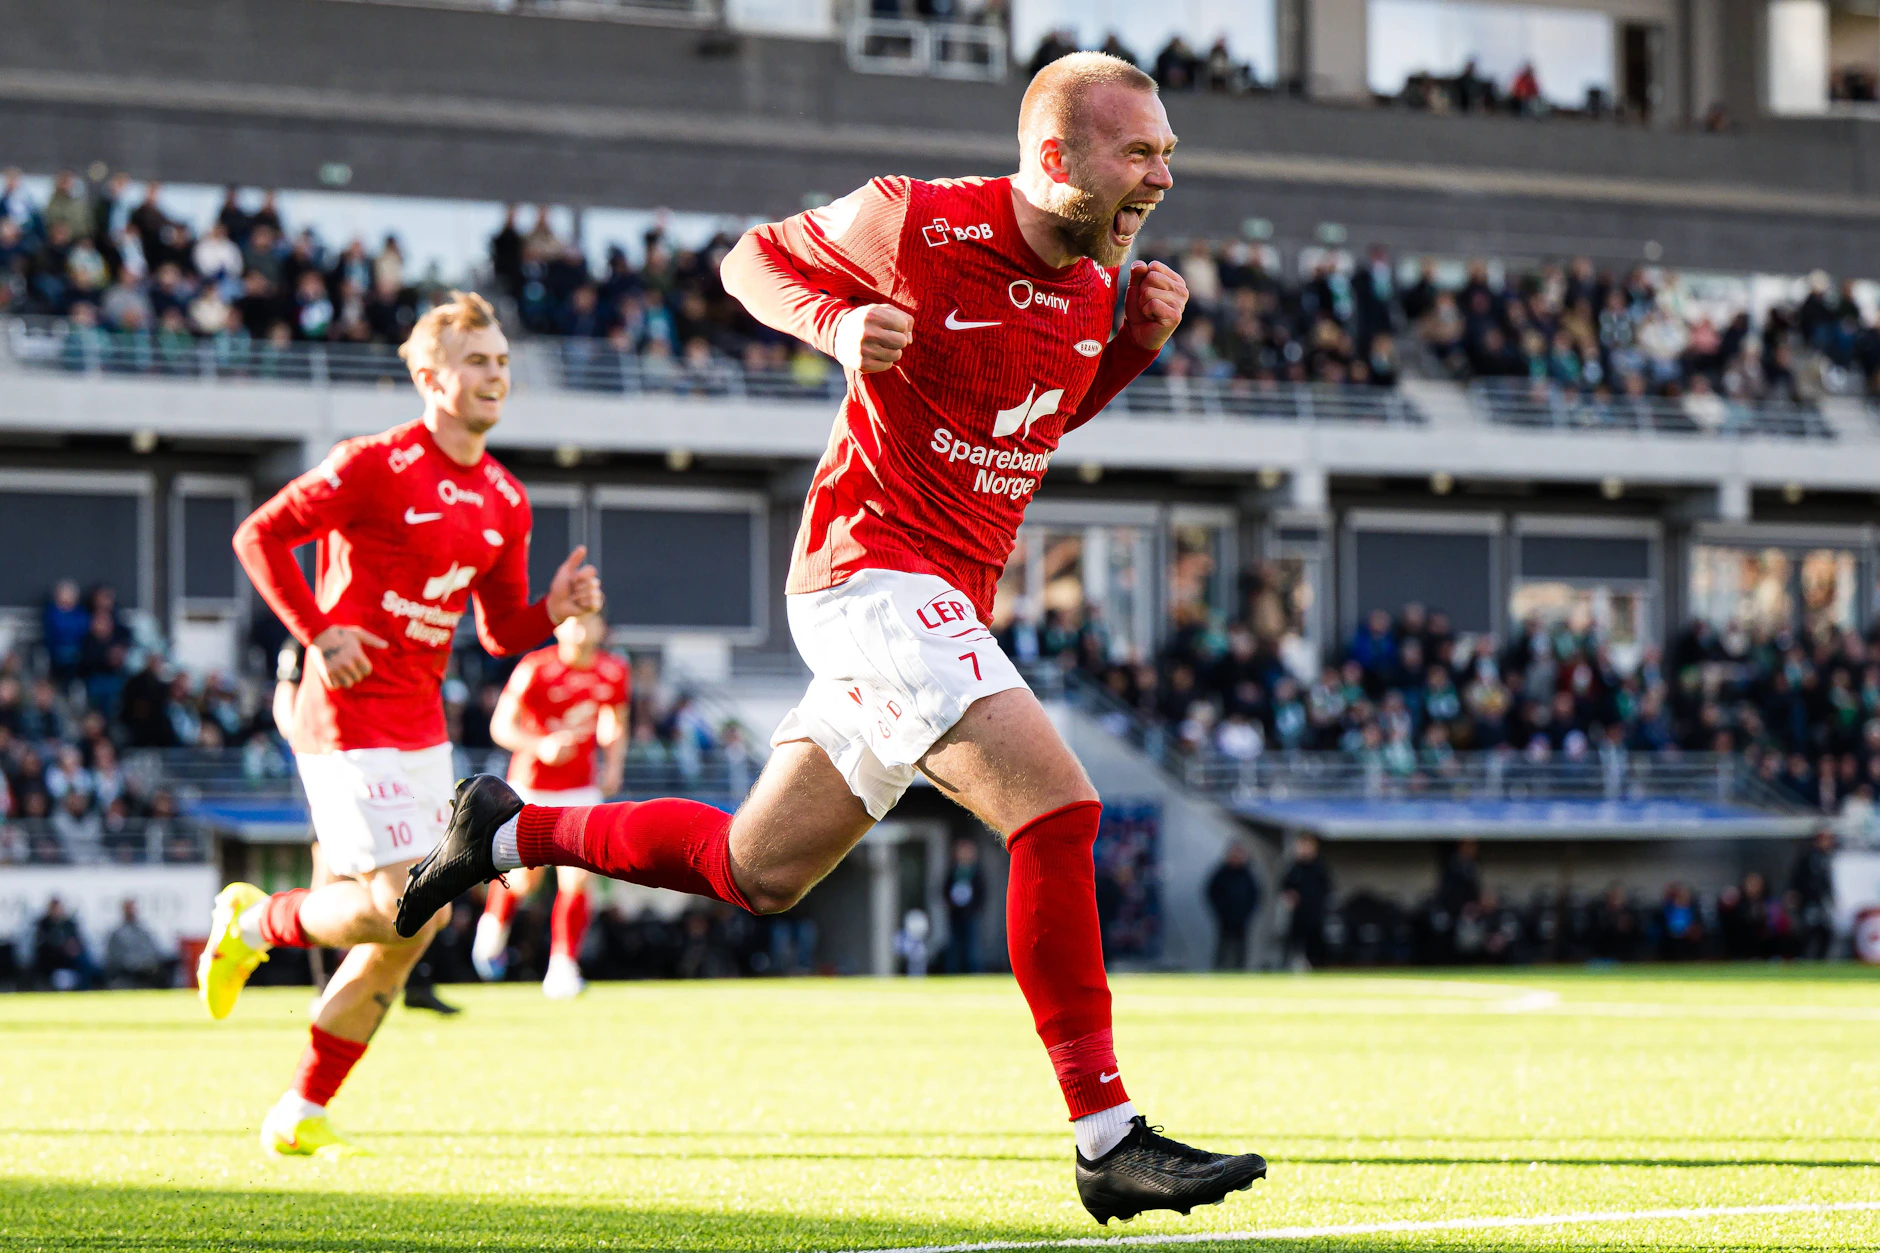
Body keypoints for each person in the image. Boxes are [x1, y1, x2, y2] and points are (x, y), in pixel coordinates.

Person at [397, 53, 1265, 1224]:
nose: (1161, 176)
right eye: (1139, 153)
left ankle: (505, 830)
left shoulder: (1093, 286)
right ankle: (1106, 1135)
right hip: (868, 574)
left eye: (1166, 152)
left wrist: (1131, 350)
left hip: (935, 598)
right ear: (1055, 157)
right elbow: (746, 259)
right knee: (1056, 809)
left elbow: (1028, 420)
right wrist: (837, 319)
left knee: (753, 869)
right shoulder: (915, 219)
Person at [198, 291, 602, 1160]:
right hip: (344, 712)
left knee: (413, 926)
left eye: (502, 361)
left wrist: (552, 610)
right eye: (476, 360)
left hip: (420, 723)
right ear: (428, 374)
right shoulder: (372, 463)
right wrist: (319, 631)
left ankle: (300, 1108)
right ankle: (254, 923)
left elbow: (500, 630)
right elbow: (259, 536)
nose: (496, 375)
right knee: (395, 908)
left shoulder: (506, 498)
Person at [472, 609, 629, 998]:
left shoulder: (613, 671)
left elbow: (615, 721)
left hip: (581, 789)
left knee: (578, 878)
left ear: (601, 626)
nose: (582, 628)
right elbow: (501, 726)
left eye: (590, 619)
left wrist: (613, 765)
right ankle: (493, 927)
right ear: (559, 628)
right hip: (531, 788)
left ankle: (563, 966)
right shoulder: (535, 668)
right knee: (524, 880)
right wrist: (540, 746)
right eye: (574, 620)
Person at [1205, 841, 1262, 970]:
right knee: (1223, 946)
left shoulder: (1247, 875)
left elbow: (1255, 896)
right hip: (1224, 918)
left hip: (1242, 919)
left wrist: (1246, 912)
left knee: (1240, 947)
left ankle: (1240, 969)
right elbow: (1211, 892)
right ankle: (1219, 969)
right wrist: (1220, 910)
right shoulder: (1221, 873)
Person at [1280, 833, 1331, 970]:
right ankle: (1291, 966)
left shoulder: (1319, 868)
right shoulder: (1294, 868)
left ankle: (1315, 967)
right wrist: (1290, 896)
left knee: (1314, 945)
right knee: (1294, 943)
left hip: (1315, 915)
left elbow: (1327, 889)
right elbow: (1285, 886)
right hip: (1298, 915)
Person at [943, 835, 986, 974]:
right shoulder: (953, 871)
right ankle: (953, 970)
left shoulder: (976, 872)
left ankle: (972, 970)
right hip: (955, 914)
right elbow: (945, 890)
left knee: (972, 944)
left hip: (970, 914)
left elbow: (982, 893)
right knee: (955, 943)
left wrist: (974, 909)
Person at [104, 898, 170, 988]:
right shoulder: (116, 934)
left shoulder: (143, 931)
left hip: (147, 971)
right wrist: (135, 964)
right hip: (128, 973)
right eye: (128, 909)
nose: (131, 911)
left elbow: (153, 951)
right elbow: (114, 958)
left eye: (133, 908)